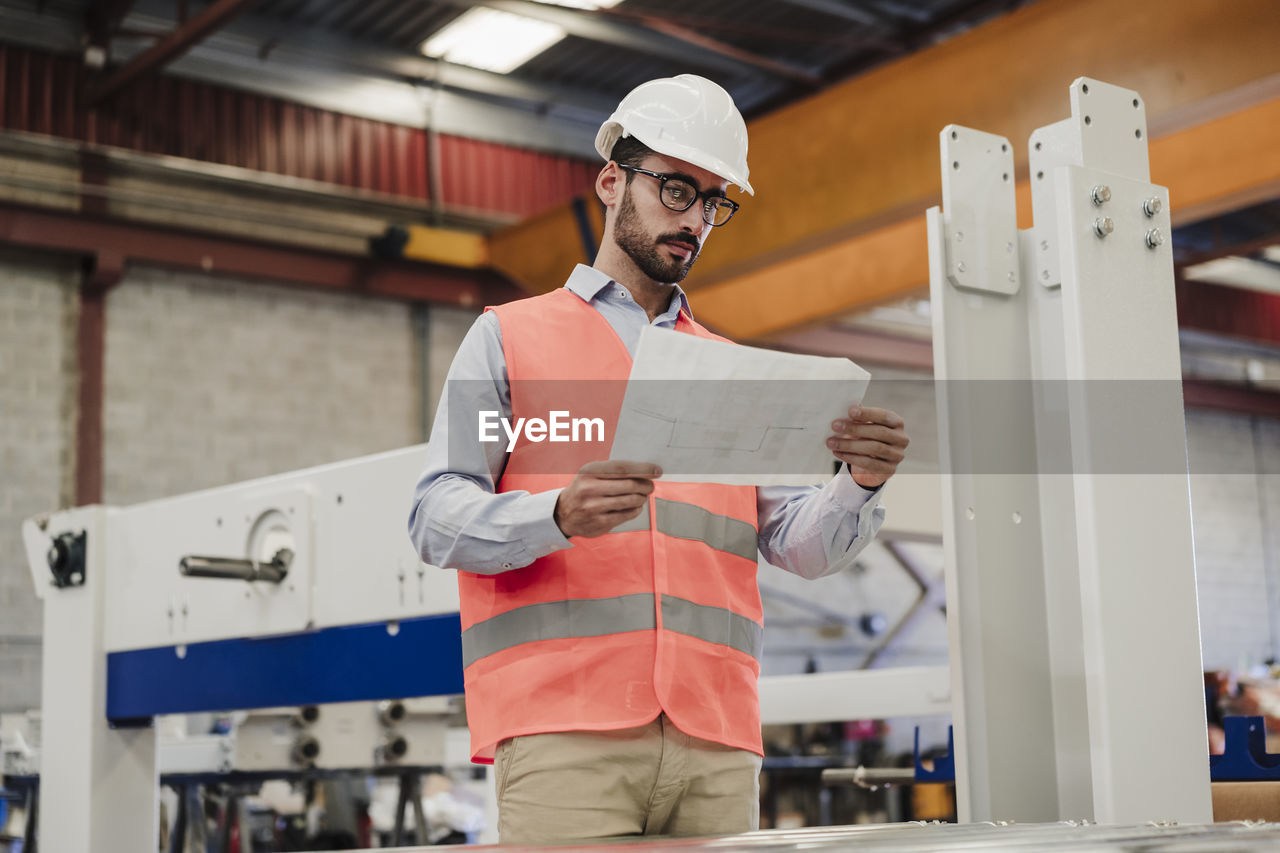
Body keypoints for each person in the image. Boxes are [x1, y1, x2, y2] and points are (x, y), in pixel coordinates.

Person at [407, 74, 909, 844]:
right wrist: (556, 514)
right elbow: (435, 514)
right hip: (565, 730)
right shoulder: (511, 336)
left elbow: (794, 546)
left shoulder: (725, 365)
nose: (696, 220)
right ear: (613, 181)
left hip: (717, 735)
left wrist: (857, 485)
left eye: (714, 202)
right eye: (677, 189)